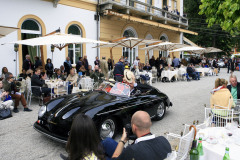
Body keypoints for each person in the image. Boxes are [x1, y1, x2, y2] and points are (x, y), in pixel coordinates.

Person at [103, 111, 171, 160]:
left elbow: (115, 158)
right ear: (150, 124)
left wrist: (123, 140)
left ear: (134, 127)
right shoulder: (164, 140)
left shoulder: (132, 150)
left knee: (100, 155)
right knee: (107, 142)